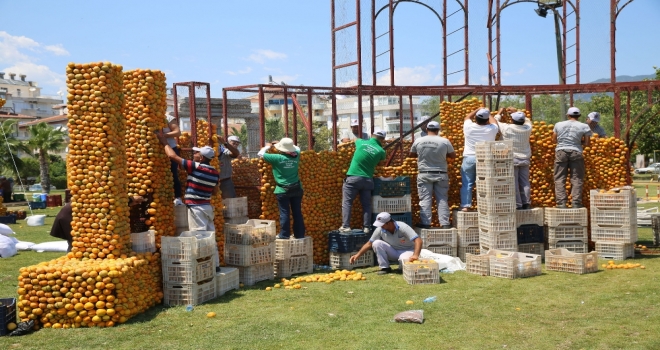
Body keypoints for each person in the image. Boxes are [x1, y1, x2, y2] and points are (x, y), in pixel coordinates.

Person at [157, 131, 220, 231]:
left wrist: (164, 142)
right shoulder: (215, 173)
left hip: (197, 208)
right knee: (209, 234)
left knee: (198, 235)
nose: (194, 154)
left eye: (196, 153)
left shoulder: (196, 166)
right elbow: (215, 192)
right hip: (207, 207)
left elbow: (172, 156)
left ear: (201, 157)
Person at [51, 195, 144, 252]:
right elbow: (107, 201)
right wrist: (130, 199)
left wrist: (129, 202)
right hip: (72, 216)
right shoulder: (96, 193)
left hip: (75, 215)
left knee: (79, 244)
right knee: (78, 244)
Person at [408, 121, 456, 229]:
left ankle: (426, 223)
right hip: (441, 174)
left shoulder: (419, 141)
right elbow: (453, 156)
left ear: (426, 129)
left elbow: (411, 154)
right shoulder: (444, 141)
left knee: (425, 199)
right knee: (442, 199)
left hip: (424, 174)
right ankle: (445, 224)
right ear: (438, 130)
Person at [339, 130, 387, 233]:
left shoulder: (361, 142)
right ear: (383, 139)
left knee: (347, 203)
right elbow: (381, 162)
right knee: (366, 205)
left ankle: (346, 226)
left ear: (371, 135)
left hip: (353, 178)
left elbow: (354, 140)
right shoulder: (381, 151)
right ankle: (367, 227)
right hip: (367, 180)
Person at [258, 138, 305, 239]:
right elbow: (297, 148)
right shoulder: (296, 155)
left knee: (284, 213)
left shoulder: (277, 158)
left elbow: (260, 153)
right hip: (297, 189)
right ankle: (300, 234)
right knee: (297, 212)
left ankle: (284, 235)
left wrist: (269, 146)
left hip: (283, 190)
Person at [349, 212, 423, 275]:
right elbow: (369, 243)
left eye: (382, 224)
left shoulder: (403, 227)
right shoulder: (380, 229)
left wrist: (415, 255)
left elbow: (418, 240)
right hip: (393, 251)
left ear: (389, 223)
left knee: (403, 261)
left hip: (407, 251)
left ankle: (402, 267)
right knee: (376, 243)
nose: (380, 226)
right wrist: (357, 255)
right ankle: (385, 268)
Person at [460, 108, 499, 211]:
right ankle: (486, 206)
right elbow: (494, 122)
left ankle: (466, 206)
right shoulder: (492, 129)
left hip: (469, 157)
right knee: (486, 183)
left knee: (467, 183)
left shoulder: (469, 127)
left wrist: (478, 109)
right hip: (486, 158)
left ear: (476, 118)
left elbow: (467, 117)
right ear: (487, 120)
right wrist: (487, 112)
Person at [553, 107, 592, 208]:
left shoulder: (558, 124)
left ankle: (561, 203)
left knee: (559, 178)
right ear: (579, 116)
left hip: (561, 151)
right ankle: (576, 202)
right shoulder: (584, 126)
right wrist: (578, 142)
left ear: (568, 115)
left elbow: (554, 140)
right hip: (576, 151)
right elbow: (587, 143)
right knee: (576, 178)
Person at [498, 109, 533, 210]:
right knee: (525, 182)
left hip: (512, 159)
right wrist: (518, 112)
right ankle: (526, 202)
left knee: (514, 182)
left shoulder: (507, 128)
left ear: (512, 120)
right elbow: (527, 120)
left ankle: (518, 204)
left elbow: (496, 121)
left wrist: (499, 113)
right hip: (525, 158)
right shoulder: (528, 128)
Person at [162, 113, 183, 206]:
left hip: (170, 148)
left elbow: (177, 132)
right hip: (154, 150)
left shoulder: (168, 118)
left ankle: (177, 197)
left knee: (172, 173)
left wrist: (163, 136)